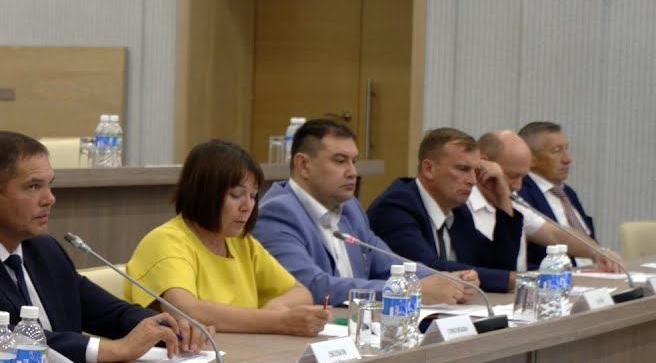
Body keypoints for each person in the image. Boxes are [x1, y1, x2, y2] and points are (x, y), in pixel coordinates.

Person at [0, 132, 197, 363]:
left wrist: (161, 326)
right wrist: (110, 350)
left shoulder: (42, 247)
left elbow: (105, 311)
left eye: (49, 185)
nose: (49, 199)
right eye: (33, 187)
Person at [125, 139, 330, 336]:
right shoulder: (165, 241)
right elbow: (188, 310)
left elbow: (301, 293)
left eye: (253, 195)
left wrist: (275, 307)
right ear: (203, 192)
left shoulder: (241, 242)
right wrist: (278, 321)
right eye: (236, 195)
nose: (247, 206)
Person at [255, 120, 471, 305]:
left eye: (354, 161)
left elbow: (388, 263)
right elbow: (313, 287)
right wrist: (408, 290)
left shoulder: (350, 208)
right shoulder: (276, 213)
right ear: (303, 165)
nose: (352, 172)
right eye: (340, 161)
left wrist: (448, 280)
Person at [367, 128, 521, 292]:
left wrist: (503, 199)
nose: (473, 181)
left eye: (476, 171)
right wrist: (510, 280)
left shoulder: (458, 211)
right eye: (463, 169)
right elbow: (427, 268)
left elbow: (497, 265)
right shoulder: (395, 207)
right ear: (429, 169)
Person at [471, 130, 620, 272]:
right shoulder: (464, 207)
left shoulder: (514, 204)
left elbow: (555, 234)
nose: (518, 186)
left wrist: (598, 252)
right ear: (484, 163)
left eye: (523, 177)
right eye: (512, 176)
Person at [516, 122, 597, 267]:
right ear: (531, 158)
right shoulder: (520, 194)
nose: (567, 159)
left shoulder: (568, 193)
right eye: (556, 151)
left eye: (566, 149)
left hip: (595, 271)